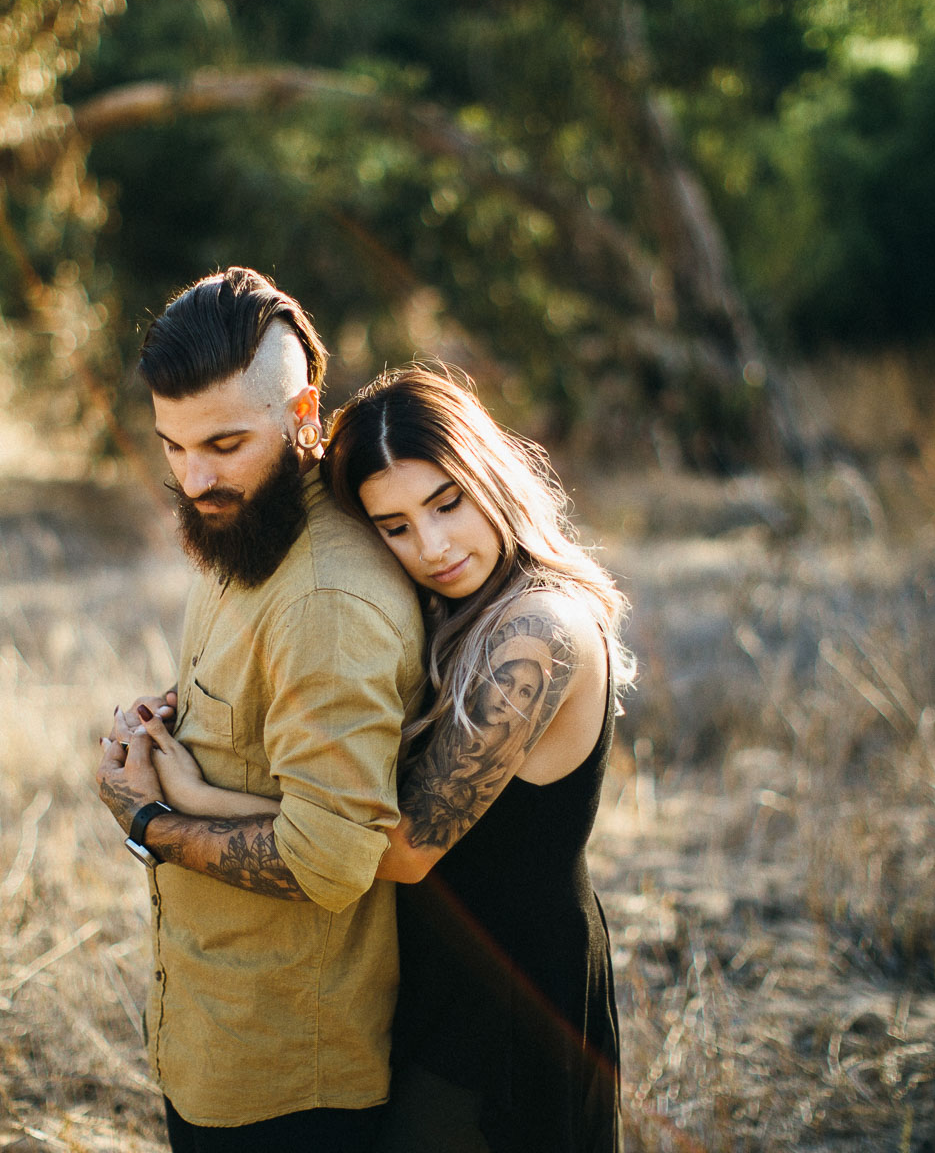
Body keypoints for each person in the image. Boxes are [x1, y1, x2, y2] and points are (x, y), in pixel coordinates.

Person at [136, 366, 634, 1153]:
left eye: (446, 503)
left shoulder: (538, 631)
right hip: (431, 975)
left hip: (509, 996)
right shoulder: (452, 606)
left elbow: (396, 850)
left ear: (490, 477)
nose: (431, 546)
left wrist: (188, 802)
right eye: (394, 527)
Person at [94, 268, 425, 1152]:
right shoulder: (244, 529)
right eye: (173, 446)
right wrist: (166, 728)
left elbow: (328, 863)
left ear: (304, 412)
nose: (195, 478)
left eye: (226, 443)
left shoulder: (325, 600)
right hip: (217, 1031)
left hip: (289, 1082)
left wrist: (150, 821)